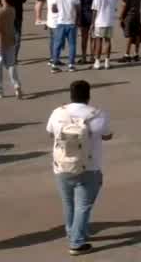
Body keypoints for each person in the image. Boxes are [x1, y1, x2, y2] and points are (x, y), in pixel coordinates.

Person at [47, 79, 113, 256]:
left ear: (71, 95)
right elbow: (107, 135)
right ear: (88, 96)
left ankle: (73, 232)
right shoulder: (98, 115)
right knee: (83, 206)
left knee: (68, 203)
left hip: (62, 166)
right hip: (89, 167)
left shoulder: (57, 113)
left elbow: (51, 133)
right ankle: (76, 242)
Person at [0, 2, 23, 99]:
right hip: (10, 40)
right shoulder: (12, 10)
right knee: (11, 64)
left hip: (0, 42)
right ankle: (16, 84)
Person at [49, 0, 80, 71]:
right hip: (71, 23)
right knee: (72, 44)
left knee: (57, 44)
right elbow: (78, 10)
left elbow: (54, 10)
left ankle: (54, 65)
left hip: (60, 23)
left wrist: (60, 9)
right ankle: (71, 65)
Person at [90, 0, 117, 69]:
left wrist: (92, 23)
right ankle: (107, 62)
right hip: (109, 21)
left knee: (99, 41)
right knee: (108, 41)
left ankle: (97, 62)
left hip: (99, 21)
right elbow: (114, 8)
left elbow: (95, 10)